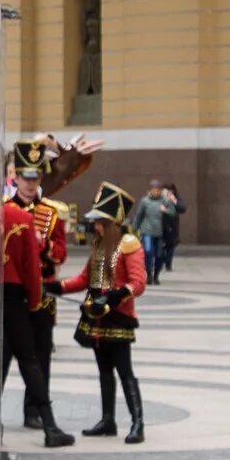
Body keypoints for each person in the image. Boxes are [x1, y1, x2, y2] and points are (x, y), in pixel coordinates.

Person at [0, 141, 75, 448]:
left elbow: (61, 254)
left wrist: (43, 245)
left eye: (36, 178)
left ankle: (33, 413)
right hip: (14, 288)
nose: (30, 183)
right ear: (16, 178)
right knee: (4, 355)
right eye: (26, 177)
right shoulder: (7, 210)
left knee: (40, 354)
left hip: (41, 289)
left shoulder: (51, 213)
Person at [65, 182, 148, 443]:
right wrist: (55, 286)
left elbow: (138, 282)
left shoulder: (128, 243)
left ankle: (138, 424)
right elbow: (85, 278)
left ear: (112, 222)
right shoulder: (100, 244)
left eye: (100, 222)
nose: (95, 226)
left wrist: (112, 298)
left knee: (125, 371)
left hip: (118, 318)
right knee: (103, 371)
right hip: (97, 318)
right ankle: (108, 420)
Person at [133, 182, 175, 282]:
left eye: (158, 190)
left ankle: (156, 275)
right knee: (148, 252)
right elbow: (139, 216)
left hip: (160, 233)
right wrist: (134, 229)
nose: (156, 192)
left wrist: (165, 210)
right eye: (154, 190)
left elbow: (173, 213)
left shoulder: (165, 201)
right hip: (147, 232)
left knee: (159, 255)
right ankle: (149, 273)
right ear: (150, 190)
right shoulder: (145, 201)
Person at [158, 180, 187, 278]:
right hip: (161, 225)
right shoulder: (159, 198)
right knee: (161, 246)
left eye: (171, 191)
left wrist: (174, 201)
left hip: (172, 225)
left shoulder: (176, 198)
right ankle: (161, 261)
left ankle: (168, 263)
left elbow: (182, 208)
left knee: (171, 245)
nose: (169, 193)